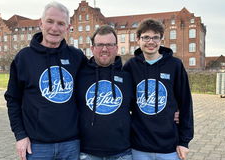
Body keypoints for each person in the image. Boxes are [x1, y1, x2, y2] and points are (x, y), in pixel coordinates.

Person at [4, 2, 87, 160]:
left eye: (61, 23)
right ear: (40, 23)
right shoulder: (24, 58)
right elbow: (13, 99)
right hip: (37, 146)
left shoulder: (76, 57)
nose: (54, 28)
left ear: (68, 28)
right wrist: (20, 135)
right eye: (50, 21)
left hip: (72, 144)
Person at [123, 19, 194, 160]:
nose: (151, 42)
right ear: (138, 39)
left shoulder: (175, 65)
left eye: (155, 37)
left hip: (169, 148)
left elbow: (186, 103)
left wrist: (184, 142)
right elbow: (124, 102)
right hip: (139, 147)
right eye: (146, 37)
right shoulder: (131, 66)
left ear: (161, 39)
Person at [76, 25, 133, 160]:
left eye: (109, 45)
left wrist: (170, 111)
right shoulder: (79, 75)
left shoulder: (128, 76)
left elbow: (140, 106)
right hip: (87, 152)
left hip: (122, 152)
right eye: (100, 44)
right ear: (92, 48)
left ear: (116, 48)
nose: (105, 49)